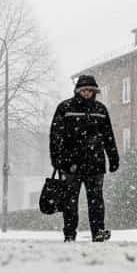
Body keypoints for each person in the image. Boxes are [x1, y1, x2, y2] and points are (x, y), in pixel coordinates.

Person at [49, 74, 119, 242]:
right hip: (69, 163)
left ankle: (98, 232)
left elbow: (108, 135)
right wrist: (56, 159)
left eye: (90, 90)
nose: (87, 93)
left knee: (96, 200)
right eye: (84, 90)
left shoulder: (100, 110)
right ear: (78, 90)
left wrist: (113, 157)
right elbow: (55, 136)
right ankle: (70, 233)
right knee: (70, 201)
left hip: (95, 163)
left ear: (94, 91)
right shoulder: (64, 108)